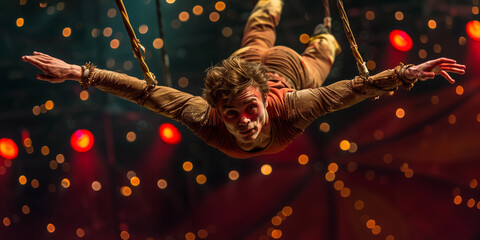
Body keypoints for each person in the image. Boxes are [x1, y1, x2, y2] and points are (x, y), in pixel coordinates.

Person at [22, 0, 465, 159]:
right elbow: (146, 93)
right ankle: (325, 28)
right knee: (324, 49)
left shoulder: (290, 105)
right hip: (295, 68)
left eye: (248, 109)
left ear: (258, 98)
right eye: (232, 115)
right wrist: (82, 73)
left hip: (276, 71)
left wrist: (403, 72)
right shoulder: (211, 117)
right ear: (218, 111)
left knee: (259, 28)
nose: (244, 122)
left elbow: (352, 90)